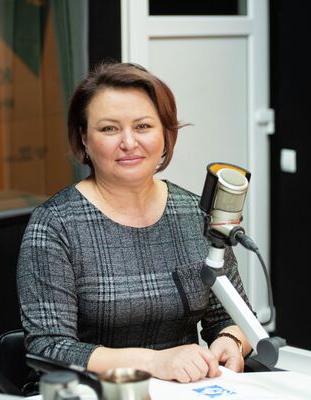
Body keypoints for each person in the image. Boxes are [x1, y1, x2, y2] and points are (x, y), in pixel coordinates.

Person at [17, 62, 255, 383]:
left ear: (165, 134)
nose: (129, 142)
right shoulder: (55, 224)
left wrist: (230, 341)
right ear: (84, 139)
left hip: (185, 389)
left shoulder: (196, 213)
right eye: (109, 129)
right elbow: (49, 348)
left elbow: (232, 317)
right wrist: (153, 362)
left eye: (143, 126)